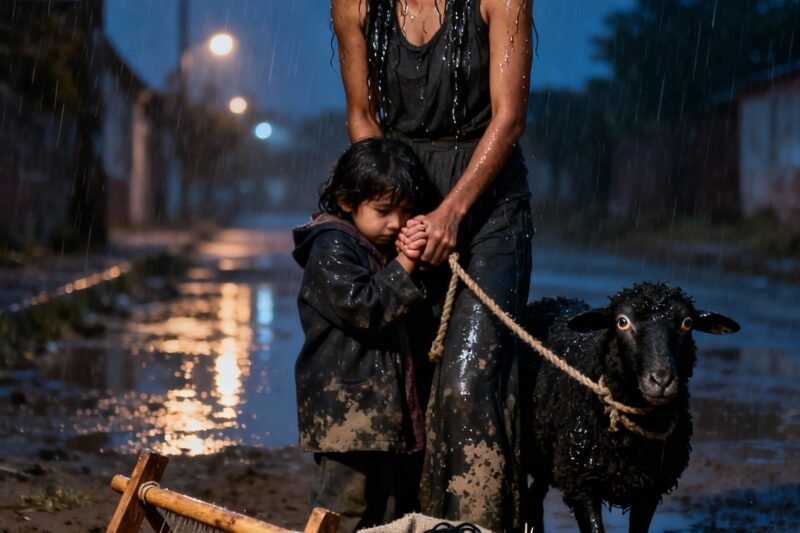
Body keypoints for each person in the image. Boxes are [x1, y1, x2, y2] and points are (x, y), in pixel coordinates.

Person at [332, 0, 535, 530]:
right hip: (404, 205)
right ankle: (406, 526)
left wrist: (452, 211)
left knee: (468, 387)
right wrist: (393, 207)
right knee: (406, 388)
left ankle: (477, 526)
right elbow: (362, 115)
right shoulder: (352, 5)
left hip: (488, 209)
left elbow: (509, 118)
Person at [292, 137, 433, 533]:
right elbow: (365, 308)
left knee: (386, 515)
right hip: (346, 416)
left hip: (380, 416)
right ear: (346, 200)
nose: (396, 223)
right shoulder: (331, 246)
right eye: (384, 211)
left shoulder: (373, 246)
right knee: (343, 512)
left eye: (405, 212)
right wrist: (407, 262)